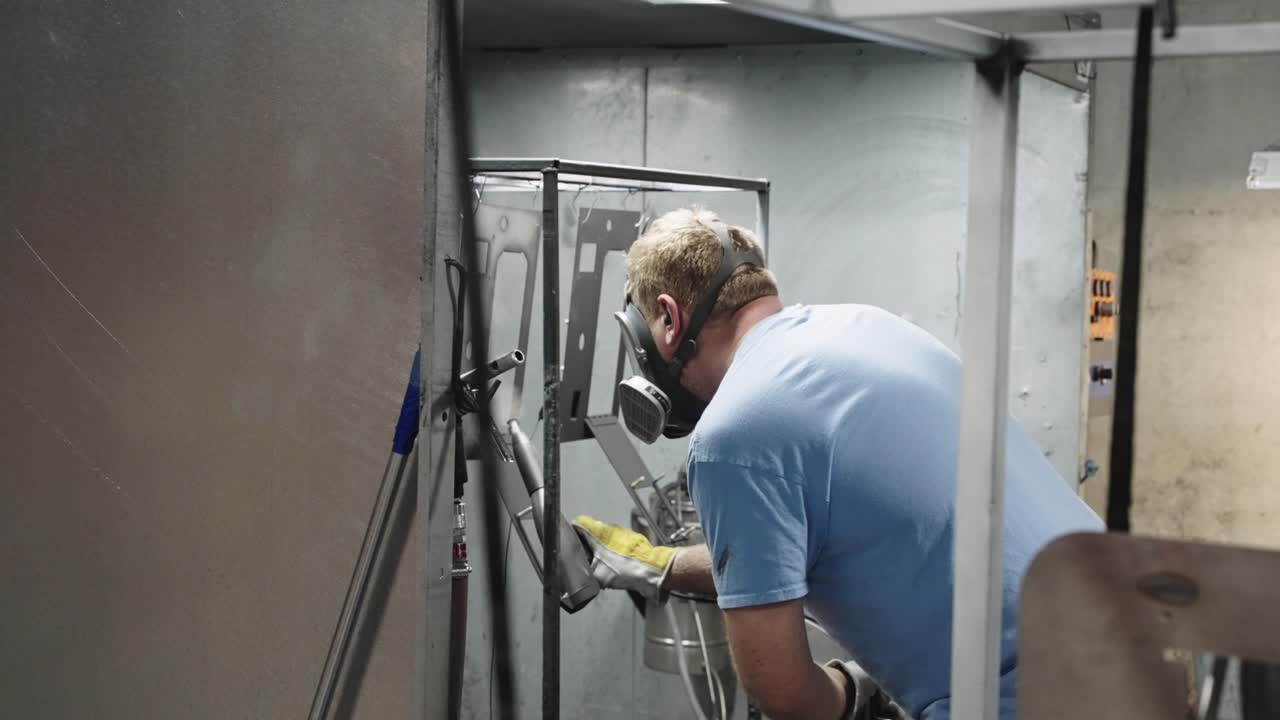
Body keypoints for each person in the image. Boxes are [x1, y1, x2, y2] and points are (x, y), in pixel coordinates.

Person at [573, 207, 1104, 720]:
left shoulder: (732, 435)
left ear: (668, 318)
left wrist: (851, 687)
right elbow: (818, 541)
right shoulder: (864, 327)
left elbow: (784, 695)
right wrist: (660, 564)